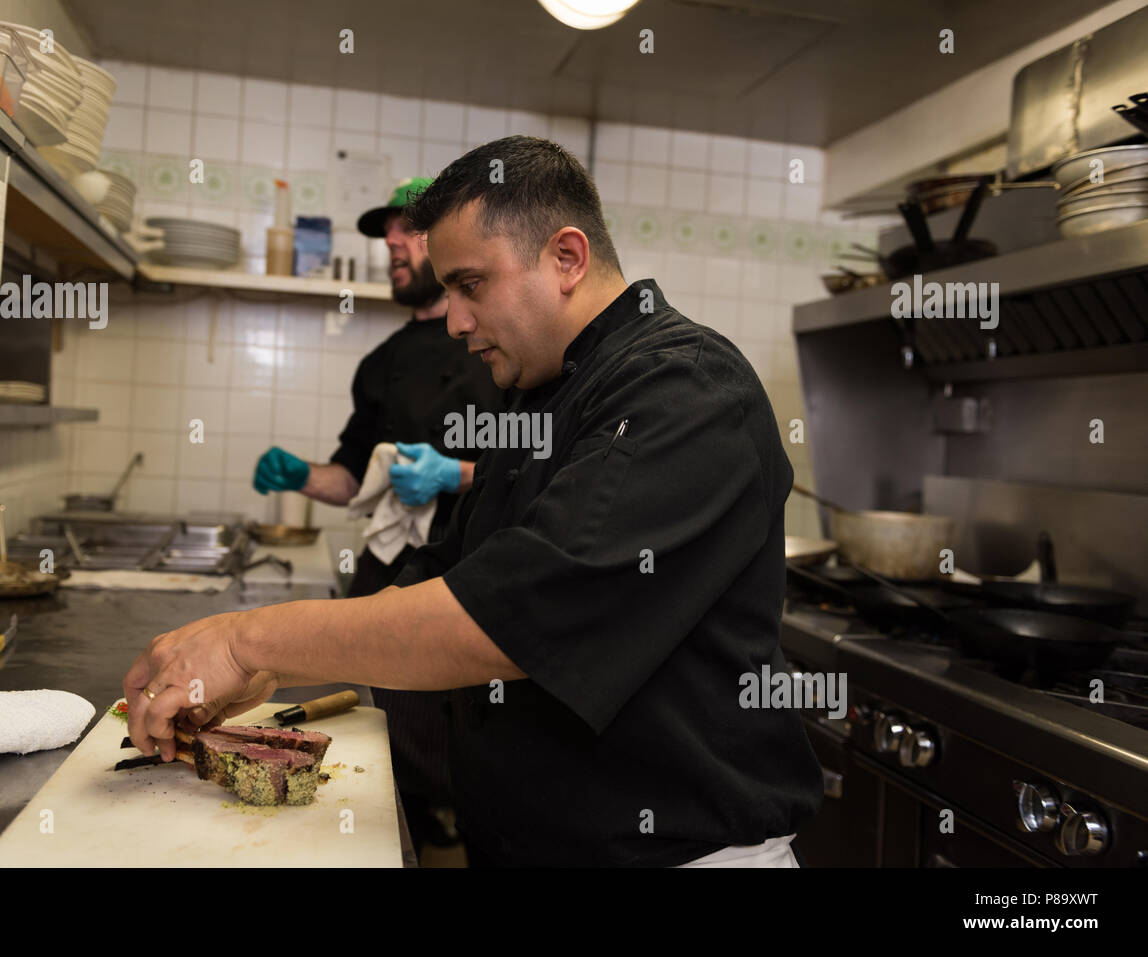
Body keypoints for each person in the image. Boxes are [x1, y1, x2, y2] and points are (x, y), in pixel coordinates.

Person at [126, 136, 823, 867]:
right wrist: (273, 672)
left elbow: (513, 617)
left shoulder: (687, 390)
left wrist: (249, 641)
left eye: (470, 285)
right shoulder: (544, 394)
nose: (455, 321)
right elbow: (448, 568)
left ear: (567, 257)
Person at [251, 176, 505, 856]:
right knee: (394, 741)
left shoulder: (502, 343)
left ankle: (451, 833)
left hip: (481, 577)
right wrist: (302, 475)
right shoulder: (381, 363)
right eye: (388, 233)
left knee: (477, 754)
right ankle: (409, 833)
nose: (390, 242)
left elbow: (546, 468)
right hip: (394, 573)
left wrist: (457, 474)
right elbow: (352, 477)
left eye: (406, 230)